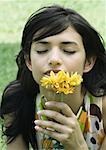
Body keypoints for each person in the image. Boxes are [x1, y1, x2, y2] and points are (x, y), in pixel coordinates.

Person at [0, 5, 106, 150]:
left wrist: (78, 145)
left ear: (88, 62)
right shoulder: (16, 100)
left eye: (68, 51)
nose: (54, 59)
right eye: (42, 50)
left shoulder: (103, 105)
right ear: (29, 61)